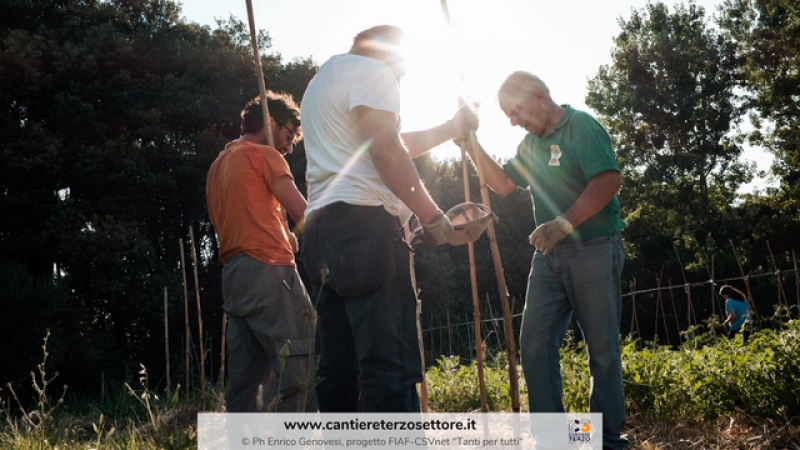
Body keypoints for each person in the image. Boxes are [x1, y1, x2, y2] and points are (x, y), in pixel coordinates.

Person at [299, 25, 476, 412]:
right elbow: (387, 151)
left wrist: (450, 129)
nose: (400, 80)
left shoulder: (321, 81)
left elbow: (390, 141)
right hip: (366, 232)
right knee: (389, 370)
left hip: (318, 235)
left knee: (337, 371)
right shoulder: (374, 72)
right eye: (402, 71)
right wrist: (434, 220)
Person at [463, 71, 628, 449]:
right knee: (534, 345)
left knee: (601, 350)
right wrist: (471, 142)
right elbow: (504, 184)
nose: (513, 120)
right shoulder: (530, 146)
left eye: (516, 110)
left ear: (539, 95)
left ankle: (606, 441)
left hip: (594, 247)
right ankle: (555, 440)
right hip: (549, 255)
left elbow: (608, 180)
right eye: (507, 115)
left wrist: (564, 222)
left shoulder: (579, 126)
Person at [206, 92, 317, 412]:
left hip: (235, 276)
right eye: (287, 135)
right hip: (271, 273)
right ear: (270, 123)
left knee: (246, 384)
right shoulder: (265, 156)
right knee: (301, 368)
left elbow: (242, 220)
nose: (289, 147)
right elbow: (304, 216)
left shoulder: (218, 166)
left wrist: (285, 236)